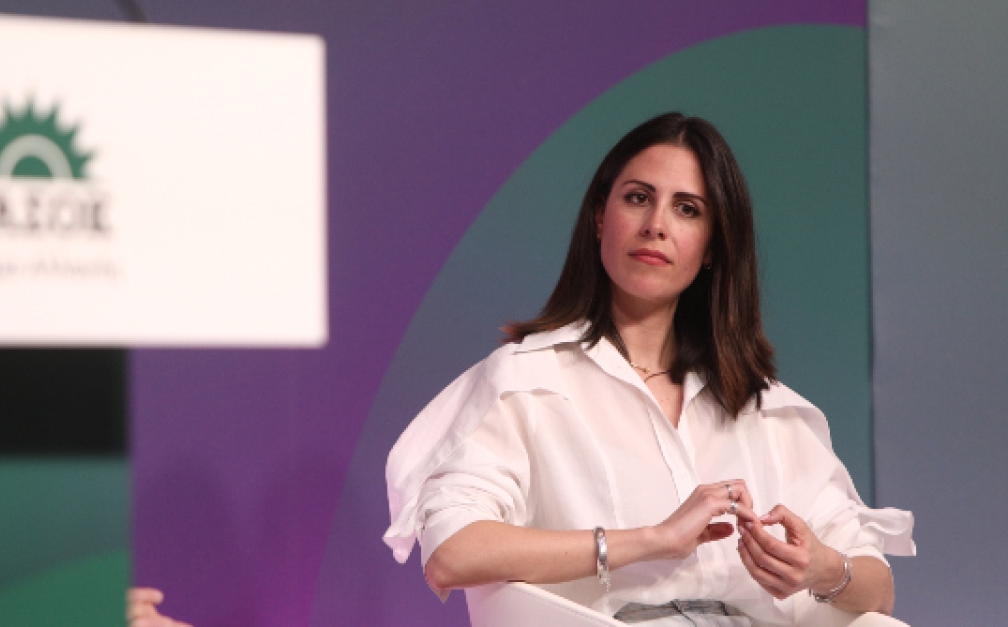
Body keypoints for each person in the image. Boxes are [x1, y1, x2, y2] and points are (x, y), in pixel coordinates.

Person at [383, 113, 915, 625]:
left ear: (712, 245)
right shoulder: (526, 382)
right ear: (600, 217)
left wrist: (822, 569)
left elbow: (878, 588)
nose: (656, 226)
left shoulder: (767, 409)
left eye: (687, 209)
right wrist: (650, 540)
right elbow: (453, 552)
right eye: (638, 198)